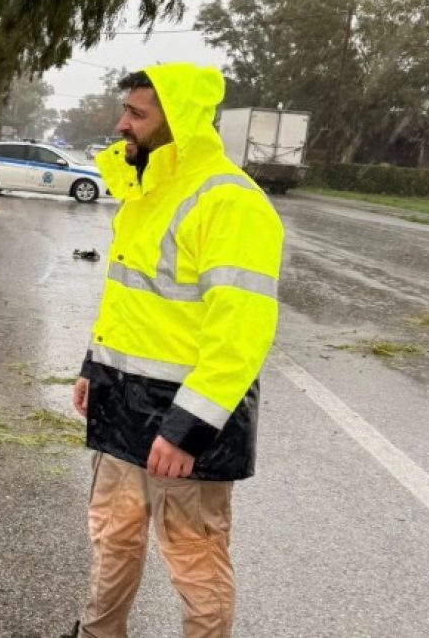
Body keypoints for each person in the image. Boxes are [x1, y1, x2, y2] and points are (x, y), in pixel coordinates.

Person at [68, 64, 285, 638]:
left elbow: (242, 331)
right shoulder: (146, 191)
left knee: (194, 558)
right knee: (111, 537)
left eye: (138, 114)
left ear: (179, 123)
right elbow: (129, 297)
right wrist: (95, 365)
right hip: (120, 404)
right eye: (126, 110)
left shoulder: (230, 202)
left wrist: (189, 428)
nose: (122, 124)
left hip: (184, 421)